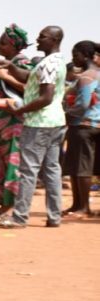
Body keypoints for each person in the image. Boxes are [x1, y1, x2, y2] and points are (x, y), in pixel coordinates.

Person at [0, 26, 68, 229]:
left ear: (54, 40)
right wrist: (10, 66)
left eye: (43, 37)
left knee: (29, 171)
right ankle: (54, 217)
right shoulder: (53, 61)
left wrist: (19, 110)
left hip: (39, 123)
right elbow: (28, 78)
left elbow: (46, 97)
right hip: (55, 122)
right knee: (52, 170)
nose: (38, 39)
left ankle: (20, 217)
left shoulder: (49, 64)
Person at [0, 24, 32, 219]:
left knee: (13, 165)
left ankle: (13, 207)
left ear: (14, 45)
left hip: (12, 123)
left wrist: (5, 77)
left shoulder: (23, 63)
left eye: (3, 43)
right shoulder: (1, 64)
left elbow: (30, 89)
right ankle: (4, 204)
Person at [63, 40, 100, 217]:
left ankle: (84, 207)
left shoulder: (87, 76)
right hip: (96, 124)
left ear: (85, 56)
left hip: (82, 125)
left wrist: (65, 113)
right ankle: (77, 205)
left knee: (81, 167)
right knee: (81, 166)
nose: (73, 59)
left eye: (75, 55)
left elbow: (83, 103)